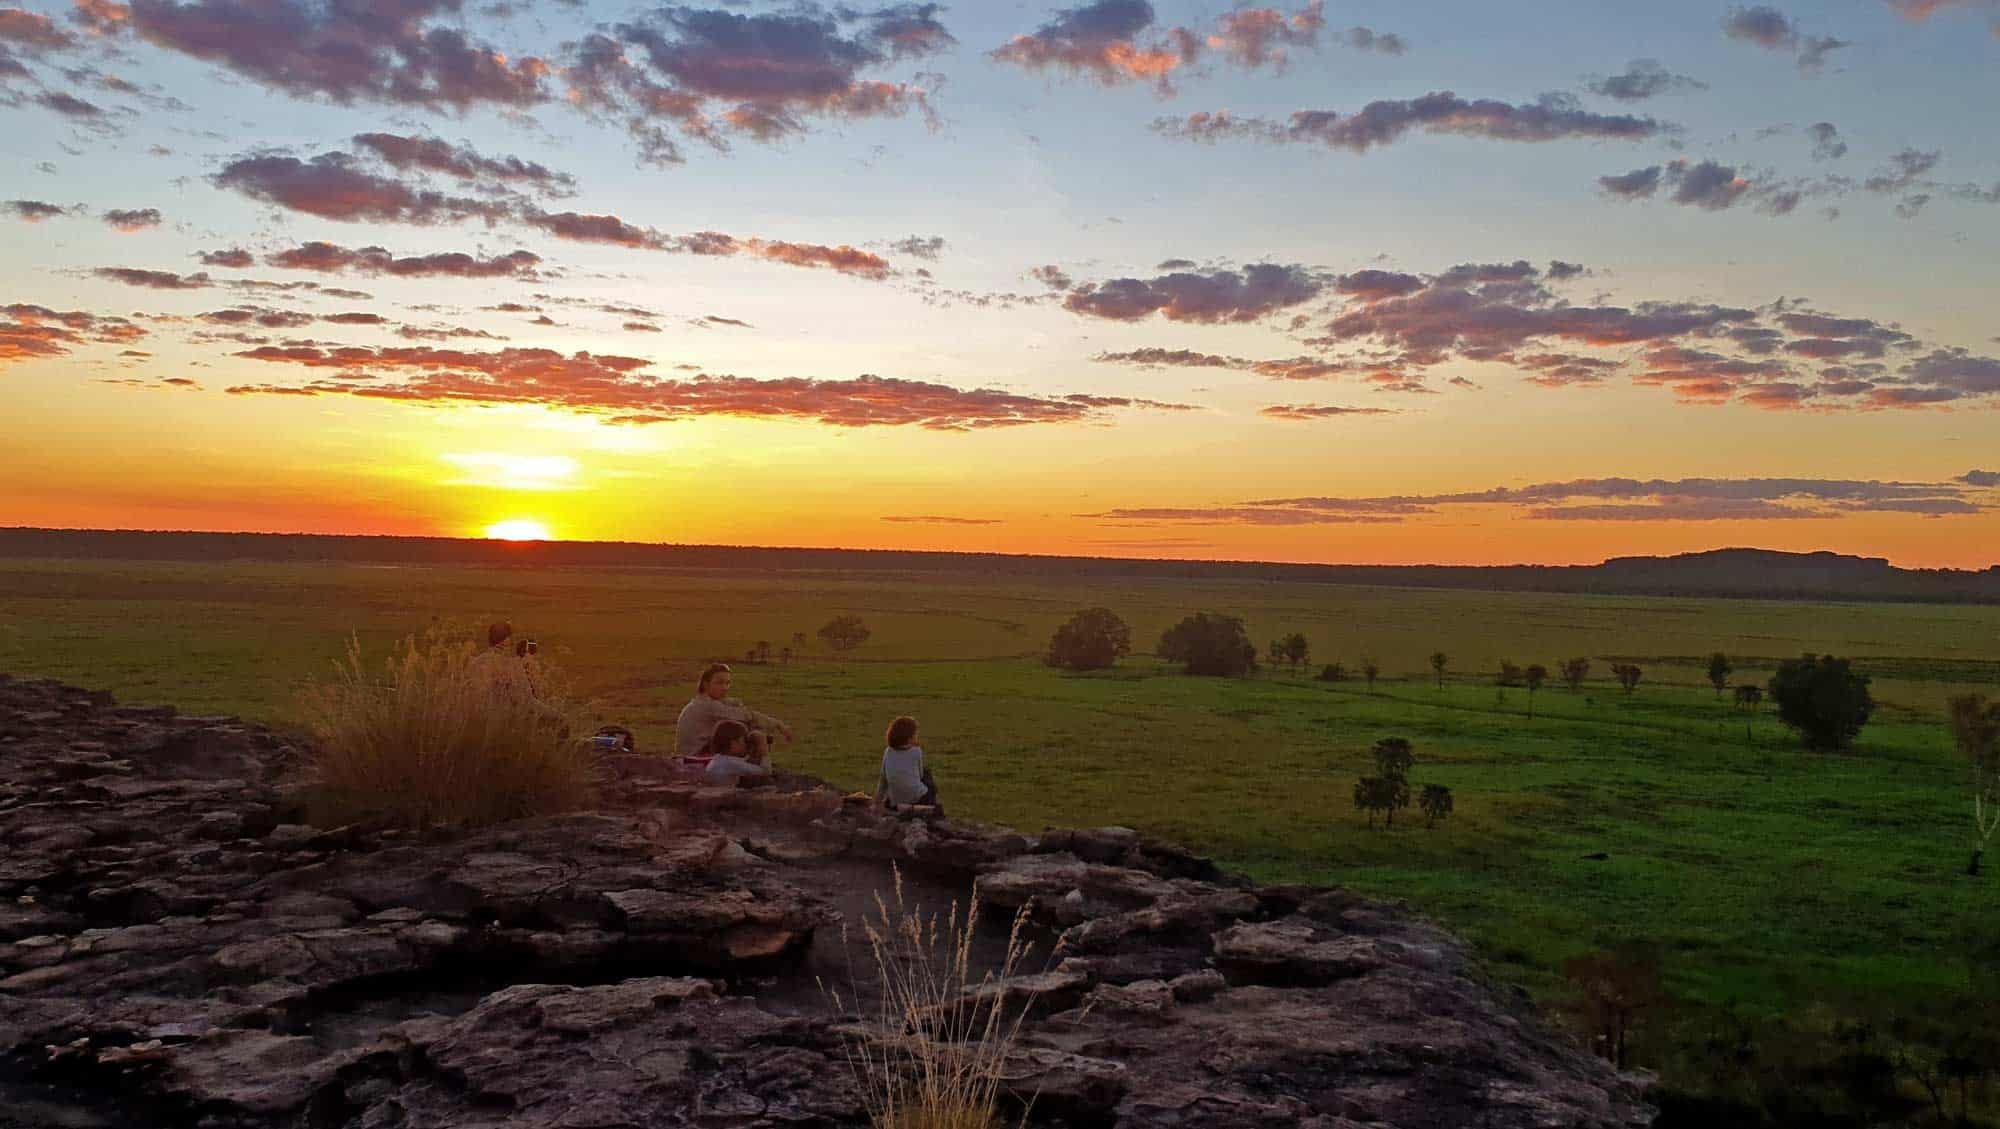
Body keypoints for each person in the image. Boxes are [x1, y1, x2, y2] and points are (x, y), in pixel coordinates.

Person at [675, 663, 792, 763]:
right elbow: (747, 716)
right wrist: (778, 725)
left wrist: (738, 705)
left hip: (694, 755)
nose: (725, 687)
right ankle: (759, 768)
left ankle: (756, 766)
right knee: (749, 734)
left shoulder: (709, 702)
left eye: (727, 683)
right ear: (706, 684)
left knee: (746, 730)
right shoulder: (706, 705)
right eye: (720, 683)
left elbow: (741, 710)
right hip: (693, 758)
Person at [877, 715, 940, 811]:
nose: (917, 736)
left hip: (896, 800)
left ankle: (899, 807)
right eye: (915, 734)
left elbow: (883, 779)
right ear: (909, 738)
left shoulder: (887, 751)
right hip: (917, 798)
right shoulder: (916, 751)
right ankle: (931, 806)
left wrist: (877, 801)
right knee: (927, 773)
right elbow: (920, 775)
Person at [702, 719, 772, 785]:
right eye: (743, 741)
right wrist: (763, 746)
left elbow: (748, 762)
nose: (746, 745)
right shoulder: (730, 763)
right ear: (733, 743)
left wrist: (754, 751)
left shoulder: (720, 759)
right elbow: (766, 771)